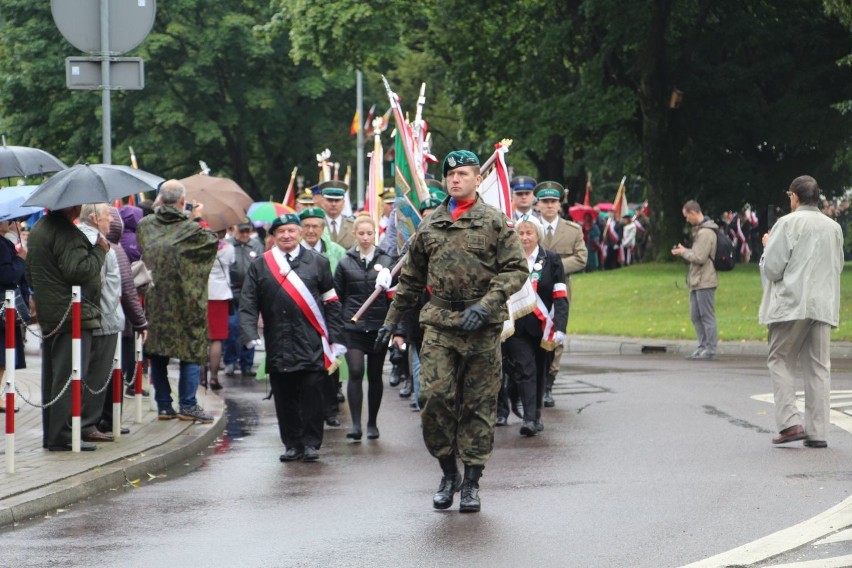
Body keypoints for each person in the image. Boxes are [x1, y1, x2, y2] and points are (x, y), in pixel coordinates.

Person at [376, 149, 528, 513]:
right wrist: (391, 321)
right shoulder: (430, 226)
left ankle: (472, 482)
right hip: (440, 325)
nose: (455, 180)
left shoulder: (495, 222)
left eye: (462, 174)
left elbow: (515, 270)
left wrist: (487, 305)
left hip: (481, 328)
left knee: (478, 405)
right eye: (450, 175)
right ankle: (448, 472)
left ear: (477, 179)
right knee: (434, 399)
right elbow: (410, 279)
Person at [240, 213, 345, 462]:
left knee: (312, 393)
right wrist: (249, 334)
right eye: (281, 232)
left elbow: (331, 302)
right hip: (278, 341)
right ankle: (292, 443)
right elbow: (248, 303)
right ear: (274, 236)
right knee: (284, 395)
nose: (286, 235)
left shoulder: (318, 262)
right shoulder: (261, 265)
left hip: (311, 342)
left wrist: (336, 338)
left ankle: (310, 443)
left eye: (291, 231)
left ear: (298, 233)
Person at [760, 175, 843, 448]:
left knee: (780, 359)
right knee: (819, 367)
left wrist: (766, 246)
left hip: (792, 303)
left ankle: (790, 422)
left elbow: (772, 268)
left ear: (794, 197)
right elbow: (838, 265)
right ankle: (818, 432)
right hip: (822, 303)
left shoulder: (787, 223)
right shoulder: (833, 227)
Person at [26, 203, 108, 451]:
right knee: (68, 376)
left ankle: (54, 434)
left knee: (54, 376)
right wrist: (99, 251)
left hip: (52, 312)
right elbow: (78, 271)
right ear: (72, 206)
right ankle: (62, 435)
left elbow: (31, 273)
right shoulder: (66, 232)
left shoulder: (40, 227)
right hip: (72, 315)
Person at [137, 180, 219, 423]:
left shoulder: (145, 225)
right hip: (187, 301)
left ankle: (164, 406)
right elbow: (212, 242)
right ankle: (188, 405)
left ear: (160, 199)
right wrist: (197, 218)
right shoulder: (192, 229)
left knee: (158, 353)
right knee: (191, 352)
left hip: (156, 301)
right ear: (182, 201)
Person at [498, 217, 567, 435]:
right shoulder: (509, 261)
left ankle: (535, 415)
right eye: (521, 233)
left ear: (538, 235)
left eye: (529, 233)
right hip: (517, 328)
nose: (525, 237)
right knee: (526, 369)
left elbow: (560, 296)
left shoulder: (552, 260)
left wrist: (561, 328)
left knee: (540, 371)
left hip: (544, 327)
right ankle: (528, 419)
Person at [333, 215, 394, 441]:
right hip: (353, 327)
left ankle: (372, 423)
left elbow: (394, 297)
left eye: (369, 233)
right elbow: (337, 296)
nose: (366, 237)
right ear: (355, 235)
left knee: (376, 374)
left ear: (375, 234)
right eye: (361, 233)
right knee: (356, 371)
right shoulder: (345, 262)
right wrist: (339, 325)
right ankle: (356, 424)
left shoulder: (387, 261)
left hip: (378, 326)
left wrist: (393, 326)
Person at [534, 181, 587, 407]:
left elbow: (581, 258)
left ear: (559, 205)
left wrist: (555, 268)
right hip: (533, 291)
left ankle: (548, 384)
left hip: (560, 290)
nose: (549, 206)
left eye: (553, 202)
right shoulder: (528, 227)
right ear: (538, 205)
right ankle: (531, 382)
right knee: (531, 332)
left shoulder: (572, 230)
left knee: (557, 333)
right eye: (545, 202)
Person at [77, 203, 124, 443]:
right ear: (95, 218)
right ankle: (88, 424)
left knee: (89, 373)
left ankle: (86, 423)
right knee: (97, 374)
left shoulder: (78, 238)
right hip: (104, 316)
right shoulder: (100, 244)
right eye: (107, 216)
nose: (112, 221)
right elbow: (102, 283)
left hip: (93, 315)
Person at [98, 206, 147, 432]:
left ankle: (96, 419)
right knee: (112, 371)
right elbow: (128, 290)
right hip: (112, 320)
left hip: (92, 319)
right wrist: (140, 322)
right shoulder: (115, 249)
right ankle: (111, 419)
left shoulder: (95, 246)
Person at [299, 206, 347, 426]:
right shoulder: (291, 251)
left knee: (330, 364)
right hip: (299, 317)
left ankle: (330, 410)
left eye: (315, 226)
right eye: (306, 226)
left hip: (328, 315)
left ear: (322, 228)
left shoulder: (336, 251)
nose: (310, 231)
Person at [671, 200, 718, 360]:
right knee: (695, 315)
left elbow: (700, 257)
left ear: (693, 212)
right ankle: (702, 345)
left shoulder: (705, 232)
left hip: (705, 280)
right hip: (697, 280)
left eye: (686, 216)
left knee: (706, 315)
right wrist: (685, 251)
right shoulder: (701, 231)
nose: (686, 220)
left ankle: (710, 348)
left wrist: (684, 252)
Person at [224, 219, 263, 378]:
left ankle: (247, 364)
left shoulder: (256, 246)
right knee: (232, 329)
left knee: (249, 330)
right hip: (231, 293)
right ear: (235, 231)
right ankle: (230, 362)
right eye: (242, 232)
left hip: (251, 294)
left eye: (248, 231)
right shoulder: (227, 245)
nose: (245, 235)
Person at [0, 219, 28, 414]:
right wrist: (21, 259)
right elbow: (8, 275)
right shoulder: (1, 245)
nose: (8, 222)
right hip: (3, 306)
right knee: (2, 354)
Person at [206, 229, 234, 390]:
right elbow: (232, 263)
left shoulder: (200, 245)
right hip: (221, 294)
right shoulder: (228, 248)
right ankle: (214, 377)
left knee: (202, 337)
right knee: (216, 338)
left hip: (202, 292)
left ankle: (201, 378)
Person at [320, 181, 355, 250]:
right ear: (322, 202)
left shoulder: (353, 226)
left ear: (343, 202)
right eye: (330, 200)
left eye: (337, 200)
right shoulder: (317, 225)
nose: (333, 204)